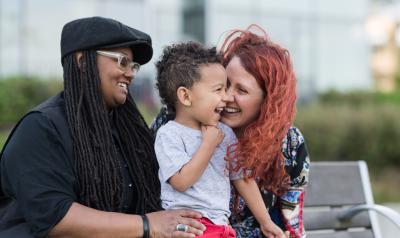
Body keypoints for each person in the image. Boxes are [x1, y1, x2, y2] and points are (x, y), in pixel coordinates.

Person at [0, 16, 205, 238]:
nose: (130, 73)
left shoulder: (126, 130)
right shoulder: (41, 128)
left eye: (133, 65)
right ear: (82, 61)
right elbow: (56, 218)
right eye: (121, 61)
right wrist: (147, 225)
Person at [153, 42, 287, 238]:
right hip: (190, 227)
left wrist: (265, 222)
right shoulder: (169, 135)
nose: (226, 97)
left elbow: (242, 178)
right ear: (185, 96)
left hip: (221, 226)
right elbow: (180, 182)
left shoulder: (224, 133)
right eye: (219, 90)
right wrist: (208, 145)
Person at [219, 25, 310, 238]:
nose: (227, 96)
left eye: (241, 90)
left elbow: (292, 218)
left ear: (268, 101)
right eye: (224, 84)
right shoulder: (193, 125)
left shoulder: (290, 143)